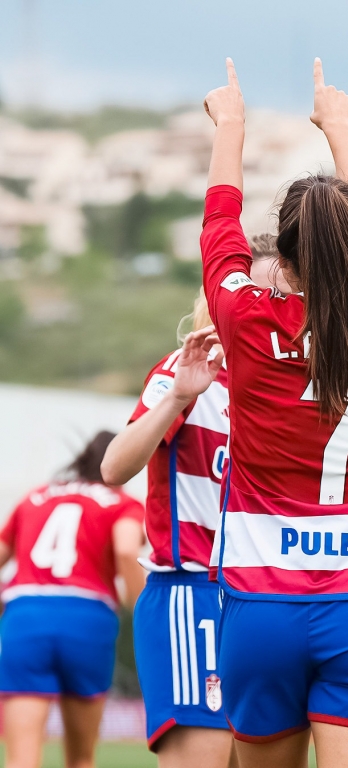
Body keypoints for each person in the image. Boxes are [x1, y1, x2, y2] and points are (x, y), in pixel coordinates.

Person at [200, 58, 348, 768]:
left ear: (286, 256)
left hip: (261, 604)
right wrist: (340, 127)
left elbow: (220, 225)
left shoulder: (243, 314)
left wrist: (229, 126)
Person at [101, 237, 288, 768]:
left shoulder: (281, 385)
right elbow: (115, 467)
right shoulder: (188, 371)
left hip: (262, 596)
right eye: (258, 291)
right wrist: (181, 396)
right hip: (193, 589)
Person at [0, 431, 145, 768]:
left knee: (21, 758)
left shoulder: (36, 497)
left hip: (26, 615)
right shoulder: (123, 503)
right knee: (81, 757)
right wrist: (140, 609)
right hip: (87, 618)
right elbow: (126, 549)